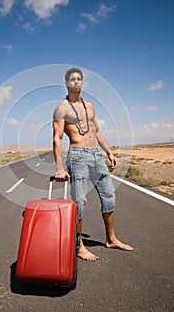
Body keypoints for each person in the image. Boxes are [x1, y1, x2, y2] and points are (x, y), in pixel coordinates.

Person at [52, 67, 133, 261]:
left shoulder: (90, 106)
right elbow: (57, 138)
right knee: (80, 202)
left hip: (96, 154)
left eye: (79, 79)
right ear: (66, 83)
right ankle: (79, 246)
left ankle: (111, 239)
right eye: (72, 79)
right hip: (78, 156)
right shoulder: (61, 108)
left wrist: (109, 152)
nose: (76, 82)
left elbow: (96, 131)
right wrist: (59, 168)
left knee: (109, 196)